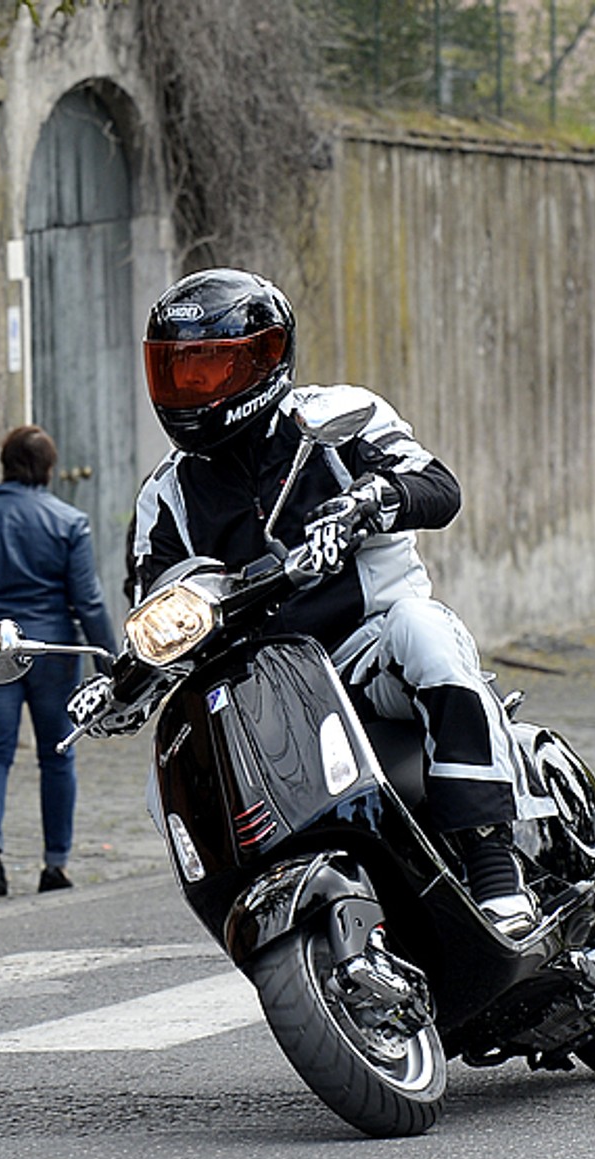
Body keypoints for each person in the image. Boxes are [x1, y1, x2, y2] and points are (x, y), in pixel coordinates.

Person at [120, 268, 548, 936]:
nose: (191, 387)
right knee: (176, 761)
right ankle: (261, 922)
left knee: (426, 633)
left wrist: (372, 500)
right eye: (178, 371)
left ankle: (494, 867)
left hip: (367, 650)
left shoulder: (335, 420)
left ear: (265, 360)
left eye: (209, 369)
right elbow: (154, 601)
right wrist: (126, 673)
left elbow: (437, 485)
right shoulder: (166, 496)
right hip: (267, 687)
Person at [0, 425, 117, 897]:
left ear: (5, 463)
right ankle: (55, 864)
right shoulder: (69, 521)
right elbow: (89, 602)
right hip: (53, 654)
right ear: (50, 469)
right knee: (58, 756)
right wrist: (109, 662)